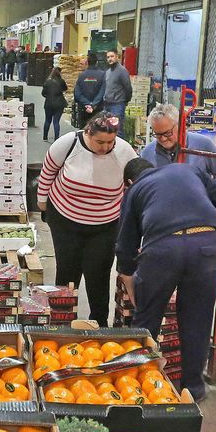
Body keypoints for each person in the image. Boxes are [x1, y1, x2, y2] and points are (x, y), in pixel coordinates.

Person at [115, 158, 216, 401]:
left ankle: (141, 387)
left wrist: (135, 293)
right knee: (197, 323)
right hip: (207, 245)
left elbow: (125, 247)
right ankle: (193, 390)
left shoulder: (135, 190)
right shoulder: (188, 170)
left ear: (128, 182)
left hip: (163, 250)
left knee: (147, 322)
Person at [37, 114, 138, 324]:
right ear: (88, 133)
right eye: (99, 142)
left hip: (106, 224)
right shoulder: (68, 144)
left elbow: (134, 184)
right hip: (65, 219)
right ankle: (63, 322)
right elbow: (47, 173)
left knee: (99, 273)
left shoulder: (125, 151)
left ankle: (99, 323)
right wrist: (42, 204)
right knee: (67, 271)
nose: (105, 147)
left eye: (110, 142)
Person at [140, 104, 216, 180]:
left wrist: (215, 192)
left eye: (167, 133)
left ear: (180, 125)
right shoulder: (147, 153)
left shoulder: (203, 144)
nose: (163, 139)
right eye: (158, 134)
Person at [71, 59, 106, 128]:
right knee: (97, 129)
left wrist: (87, 103)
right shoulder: (103, 74)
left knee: (84, 130)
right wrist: (93, 104)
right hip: (98, 109)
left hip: (84, 108)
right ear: (97, 62)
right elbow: (102, 92)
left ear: (87, 63)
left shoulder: (81, 75)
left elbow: (77, 94)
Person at [102, 49, 132, 120]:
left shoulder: (122, 71)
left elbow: (128, 88)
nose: (110, 59)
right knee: (107, 126)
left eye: (112, 56)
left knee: (117, 126)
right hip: (107, 105)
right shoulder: (108, 72)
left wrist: (126, 101)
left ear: (117, 57)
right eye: (108, 57)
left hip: (118, 105)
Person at [41, 70, 68, 141]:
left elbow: (43, 93)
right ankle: (56, 138)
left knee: (47, 120)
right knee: (56, 121)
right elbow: (65, 89)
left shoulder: (47, 82)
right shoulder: (61, 81)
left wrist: (48, 96)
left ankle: (45, 137)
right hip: (59, 103)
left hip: (49, 103)